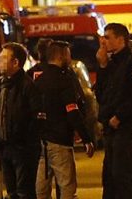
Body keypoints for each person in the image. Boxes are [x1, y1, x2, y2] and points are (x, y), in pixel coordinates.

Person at [33, 41, 95, 199]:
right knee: (67, 187)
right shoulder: (64, 80)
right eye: (68, 54)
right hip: (61, 141)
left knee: (41, 188)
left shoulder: (38, 80)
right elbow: (72, 110)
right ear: (61, 56)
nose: (70, 57)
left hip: (41, 142)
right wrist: (86, 138)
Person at [95, 23, 132, 199]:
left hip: (127, 128)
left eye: (108, 37)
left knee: (122, 176)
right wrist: (102, 66)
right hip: (111, 129)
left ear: (120, 40)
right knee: (109, 178)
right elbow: (101, 94)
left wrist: (119, 116)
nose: (104, 42)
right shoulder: (111, 65)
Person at [0, 42, 41, 199]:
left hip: (22, 149)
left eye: (3, 58)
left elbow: (35, 117)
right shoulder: (3, 85)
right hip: (5, 147)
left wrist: (23, 140)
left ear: (16, 62)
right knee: (12, 193)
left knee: (24, 192)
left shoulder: (27, 86)